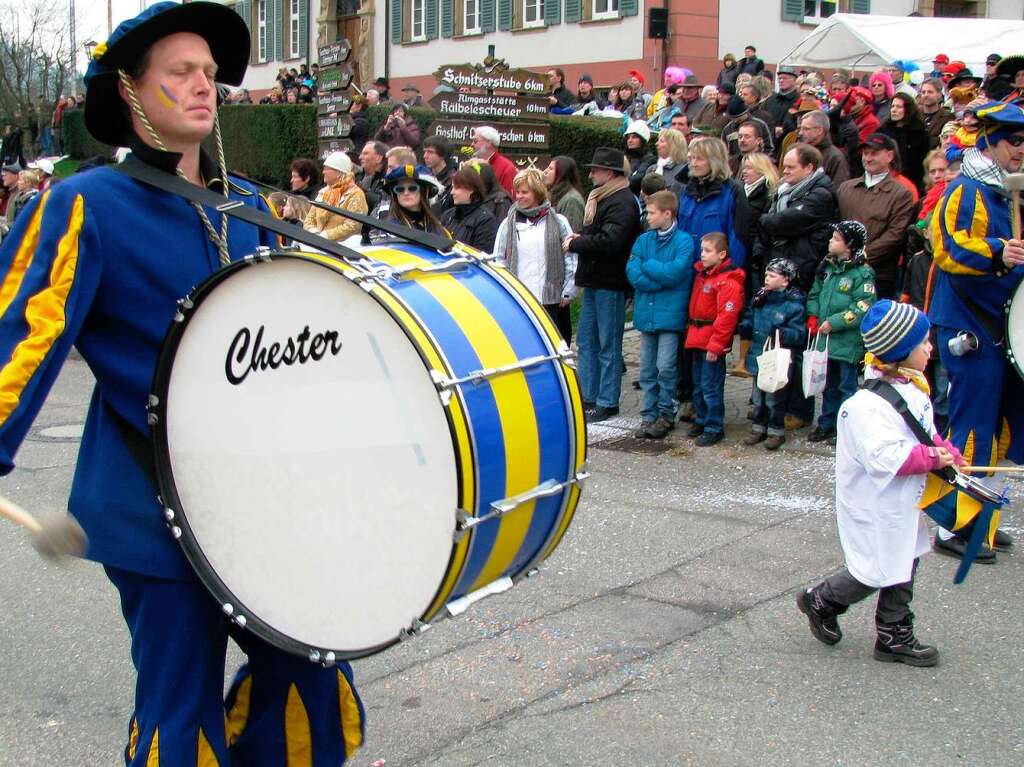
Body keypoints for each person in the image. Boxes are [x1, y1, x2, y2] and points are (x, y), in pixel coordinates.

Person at [0, 3, 367, 764]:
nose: (205, 85)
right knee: (178, 708)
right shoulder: (85, 205)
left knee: (311, 677)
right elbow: (20, 340)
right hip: (150, 503)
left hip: (259, 504)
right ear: (133, 93)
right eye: (182, 72)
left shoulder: (255, 210)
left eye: (210, 73)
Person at [799, 300, 952, 668]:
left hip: (901, 502)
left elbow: (924, 435)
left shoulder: (914, 387)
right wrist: (930, 459)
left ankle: (893, 634)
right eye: (923, 343)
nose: (930, 348)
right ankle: (821, 600)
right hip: (875, 503)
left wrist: (947, 453)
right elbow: (884, 457)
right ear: (900, 352)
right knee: (874, 569)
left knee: (905, 560)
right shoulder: (864, 406)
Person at [928, 100, 1024, 562]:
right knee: (971, 425)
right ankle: (955, 525)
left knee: (1002, 427)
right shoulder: (967, 190)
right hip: (970, 323)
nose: (1020, 151)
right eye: (1015, 142)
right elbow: (946, 248)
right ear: (990, 142)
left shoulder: (1009, 191)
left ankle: (983, 518)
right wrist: (997, 251)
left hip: (1002, 325)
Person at [563, 147, 642, 422]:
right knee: (586, 340)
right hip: (595, 279)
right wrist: (581, 237)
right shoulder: (601, 198)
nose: (591, 173)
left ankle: (607, 400)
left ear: (610, 173)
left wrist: (577, 243)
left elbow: (611, 242)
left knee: (608, 343)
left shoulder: (622, 201)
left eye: (596, 169)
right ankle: (588, 396)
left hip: (611, 280)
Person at [627, 190, 694, 439]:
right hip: (648, 312)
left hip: (670, 315)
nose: (648, 217)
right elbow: (633, 272)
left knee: (665, 367)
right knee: (647, 369)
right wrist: (659, 277)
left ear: (667, 213)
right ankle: (648, 414)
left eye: (652, 212)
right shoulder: (643, 240)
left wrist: (650, 266)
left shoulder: (684, 241)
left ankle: (667, 412)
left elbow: (676, 273)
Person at [805, 221, 877, 443]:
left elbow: (862, 307)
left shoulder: (862, 274)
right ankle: (826, 423)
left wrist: (834, 322)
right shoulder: (826, 268)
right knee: (827, 385)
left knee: (847, 386)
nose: (830, 241)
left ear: (850, 246)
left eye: (836, 239)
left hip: (847, 340)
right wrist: (813, 315)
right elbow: (815, 293)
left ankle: (846, 428)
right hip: (826, 340)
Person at [493, 168, 576, 341]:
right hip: (520, 296)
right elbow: (498, 258)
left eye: (525, 192)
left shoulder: (558, 221)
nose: (519, 197)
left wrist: (568, 288)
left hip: (550, 298)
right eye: (517, 192)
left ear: (537, 193)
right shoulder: (508, 223)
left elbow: (570, 256)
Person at [684, 231, 744, 446]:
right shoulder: (703, 275)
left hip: (712, 339)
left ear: (722, 254)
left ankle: (713, 425)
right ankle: (701, 419)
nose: (703, 255)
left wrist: (717, 344)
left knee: (711, 385)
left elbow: (726, 317)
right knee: (699, 383)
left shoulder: (727, 281)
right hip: (697, 336)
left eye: (708, 251)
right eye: (702, 250)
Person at [837, 133, 915, 299]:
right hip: (840, 269)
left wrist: (860, 255)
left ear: (890, 156)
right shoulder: (845, 188)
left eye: (874, 153)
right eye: (866, 153)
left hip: (878, 275)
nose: (868, 158)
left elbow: (896, 235)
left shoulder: (901, 194)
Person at [739, 257, 806, 449]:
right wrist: (746, 326)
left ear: (785, 280)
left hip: (778, 358)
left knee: (775, 398)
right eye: (766, 274)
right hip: (759, 353)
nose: (766, 278)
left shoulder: (793, 305)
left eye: (772, 275)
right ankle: (758, 428)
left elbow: (798, 334)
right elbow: (750, 316)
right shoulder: (760, 298)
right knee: (758, 396)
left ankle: (776, 430)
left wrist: (783, 333)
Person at [303, 151, 367, 242]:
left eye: (327, 168)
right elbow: (309, 219)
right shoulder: (323, 192)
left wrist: (326, 235)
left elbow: (353, 225)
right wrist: (314, 232)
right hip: (319, 243)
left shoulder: (355, 194)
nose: (323, 172)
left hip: (344, 246)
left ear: (338, 172)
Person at [880, 92, 930, 194]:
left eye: (898, 107)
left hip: (912, 184)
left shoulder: (919, 133)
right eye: (893, 106)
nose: (894, 110)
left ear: (907, 110)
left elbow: (924, 162)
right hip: (886, 182)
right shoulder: (884, 131)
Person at [441, 166, 498, 253]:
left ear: (471, 189)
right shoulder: (448, 215)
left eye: (457, 188)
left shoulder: (485, 220)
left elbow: (481, 255)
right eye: (452, 187)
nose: (452, 192)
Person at [380, 163, 447, 236]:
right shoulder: (389, 229)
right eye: (400, 189)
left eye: (412, 188)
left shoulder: (437, 228)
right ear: (395, 195)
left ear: (422, 192)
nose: (406, 193)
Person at [798, 110, 850, 187]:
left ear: (819, 130)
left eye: (806, 129)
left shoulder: (835, 157)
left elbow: (839, 190)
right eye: (800, 128)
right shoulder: (800, 151)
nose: (800, 133)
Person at [543, 155, 586, 233]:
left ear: (561, 173)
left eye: (551, 169)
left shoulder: (571, 200)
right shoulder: (557, 194)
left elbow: (572, 233)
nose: (545, 171)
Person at [472, 125, 516, 196]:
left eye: (475, 141)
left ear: (488, 142)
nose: (472, 144)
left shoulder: (507, 168)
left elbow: (507, 201)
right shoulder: (472, 164)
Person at [422, 135, 456, 214]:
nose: (425, 156)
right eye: (425, 151)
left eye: (430, 152)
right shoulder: (427, 176)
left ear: (443, 155)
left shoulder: (453, 180)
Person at [918, 78, 955, 149]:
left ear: (939, 94)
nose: (926, 95)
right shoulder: (914, 115)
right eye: (923, 92)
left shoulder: (948, 117)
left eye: (930, 92)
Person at [624, 120, 655, 195]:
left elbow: (636, 180)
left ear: (642, 140)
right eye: (628, 138)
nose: (630, 140)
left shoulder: (649, 158)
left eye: (634, 137)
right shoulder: (625, 156)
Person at [357, 140, 388, 212]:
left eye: (365, 153)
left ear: (379, 158)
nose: (360, 157)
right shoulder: (356, 177)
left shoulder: (388, 181)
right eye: (361, 153)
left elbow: (384, 203)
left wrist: (362, 193)